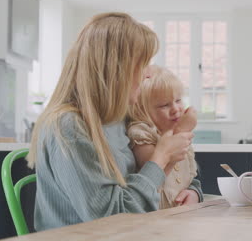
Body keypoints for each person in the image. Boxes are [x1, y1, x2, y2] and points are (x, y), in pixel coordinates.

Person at [27, 12, 194, 231]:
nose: (147, 75)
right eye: (142, 64)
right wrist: (161, 157)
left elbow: (171, 179)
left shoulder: (121, 118)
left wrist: (193, 191)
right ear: (117, 70)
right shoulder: (68, 126)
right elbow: (110, 218)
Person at [127, 65, 203, 209]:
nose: (175, 109)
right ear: (142, 111)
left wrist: (193, 194)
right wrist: (181, 130)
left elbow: (191, 179)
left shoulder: (177, 134)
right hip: (155, 219)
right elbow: (153, 168)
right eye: (164, 105)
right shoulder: (141, 132)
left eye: (178, 100)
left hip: (179, 217)